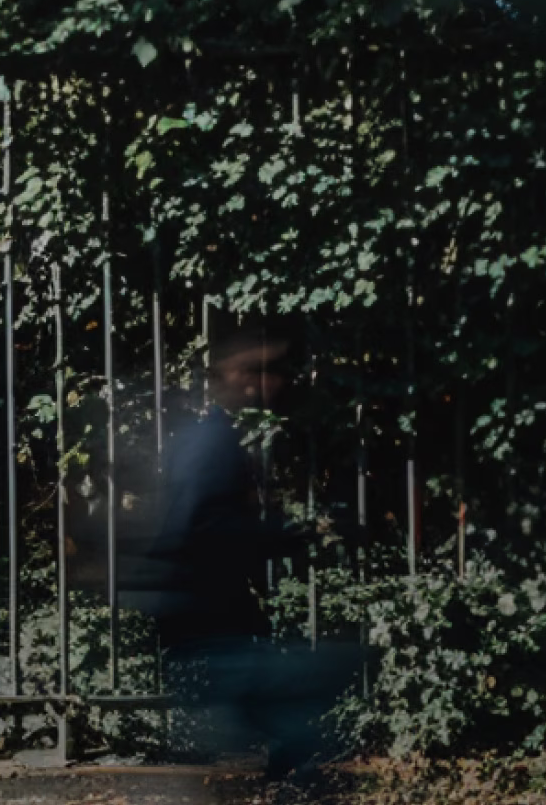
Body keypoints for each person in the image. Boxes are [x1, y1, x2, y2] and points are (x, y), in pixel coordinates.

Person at [115, 325, 364, 793]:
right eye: (264, 370)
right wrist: (287, 536)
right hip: (209, 630)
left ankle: (290, 785)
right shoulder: (211, 442)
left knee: (301, 729)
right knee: (325, 690)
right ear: (237, 377)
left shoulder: (213, 436)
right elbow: (197, 529)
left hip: (212, 626)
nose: (277, 382)